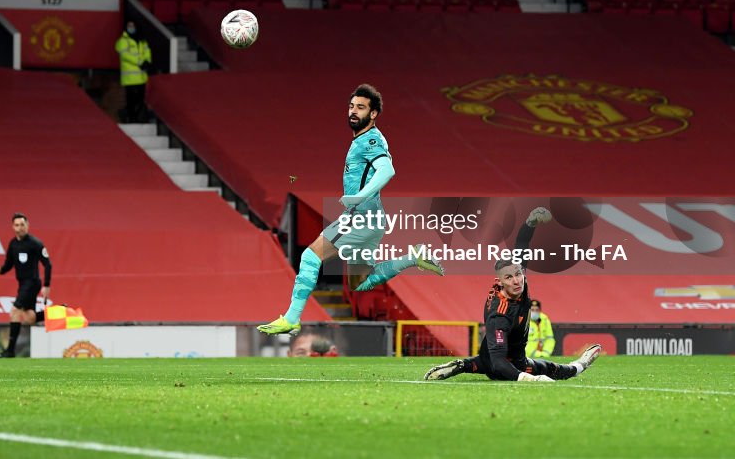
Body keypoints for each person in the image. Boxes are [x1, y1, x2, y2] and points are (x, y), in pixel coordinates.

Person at [257, 85, 445, 337]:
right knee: (360, 283)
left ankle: (291, 319)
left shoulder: (370, 139)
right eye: (351, 106)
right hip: (372, 218)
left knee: (310, 257)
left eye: (361, 107)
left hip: (361, 217)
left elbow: (387, 170)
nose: (353, 111)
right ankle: (412, 257)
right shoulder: (363, 139)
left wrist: (360, 196)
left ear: (374, 113)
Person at [424, 207, 602, 382]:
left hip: (495, 357)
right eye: (509, 278)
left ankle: (466, 365)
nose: (517, 281)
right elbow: (499, 362)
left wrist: (530, 222)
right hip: (507, 365)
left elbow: (522, 244)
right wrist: (531, 379)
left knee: (488, 361)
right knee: (550, 370)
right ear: (500, 282)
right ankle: (579, 366)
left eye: (518, 274)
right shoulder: (499, 314)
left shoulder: (517, 275)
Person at [0, 213, 52, 358]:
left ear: (27, 225)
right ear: (13, 227)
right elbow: (9, 264)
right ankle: (60, 311)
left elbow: (48, 264)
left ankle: (10, 351)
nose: (20, 228)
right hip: (22, 283)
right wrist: (0, 270)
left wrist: (47, 285)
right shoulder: (13, 244)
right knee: (29, 318)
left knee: (14, 311)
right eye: (17, 225)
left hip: (32, 283)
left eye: (22, 225)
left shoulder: (35, 243)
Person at [115, 20, 152, 124]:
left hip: (141, 77)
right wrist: (140, 62)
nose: (131, 27)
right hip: (130, 78)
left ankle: (138, 118)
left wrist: (147, 62)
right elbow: (126, 55)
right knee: (131, 100)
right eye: (129, 26)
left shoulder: (142, 41)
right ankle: (131, 118)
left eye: (133, 25)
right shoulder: (123, 41)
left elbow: (147, 52)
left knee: (140, 99)